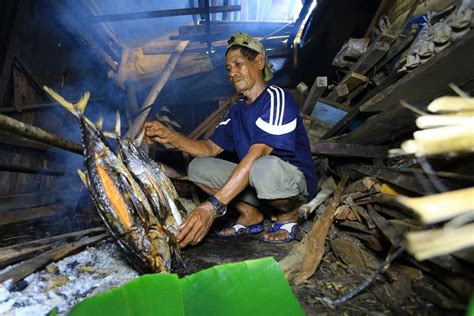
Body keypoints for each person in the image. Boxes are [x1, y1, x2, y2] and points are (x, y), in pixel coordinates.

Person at [144, 32, 317, 248]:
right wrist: (169, 135)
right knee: (198, 167)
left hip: (293, 185)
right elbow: (209, 148)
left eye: (238, 64)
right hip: (260, 184)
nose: (232, 72)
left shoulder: (275, 97)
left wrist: (212, 207)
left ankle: (290, 215)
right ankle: (251, 213)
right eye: (228, 68)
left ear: (259, 62)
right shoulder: (236, 110)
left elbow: (259, 153)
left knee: (262, 166)